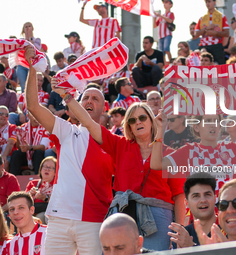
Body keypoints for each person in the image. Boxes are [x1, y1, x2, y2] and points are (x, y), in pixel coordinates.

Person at [59, 96, 186, 250]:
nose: (138, 122)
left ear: (152, 121)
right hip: (125, 214)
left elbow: (179, 195)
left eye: (142, 117)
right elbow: (89, 124)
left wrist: (180, 232)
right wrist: (67, 97)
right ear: (129, 127)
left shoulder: (171, 154)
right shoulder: (119, 145)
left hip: (158, 217)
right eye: (132, 120)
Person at [25, 46, 114, 255]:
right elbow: (33, 106)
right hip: (59, 217)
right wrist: (32, 69)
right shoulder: (66, 130)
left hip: (93, 219)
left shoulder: (113, 140)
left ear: (105, 107)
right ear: (77, 104)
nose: (89, 101)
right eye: (86, 98)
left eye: (95, 99)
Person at [152, 109, 236, 196]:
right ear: (196, 127)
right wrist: (160, 129)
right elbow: (156, 164)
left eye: (216, 121)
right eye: (208, 121)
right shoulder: (188, 151)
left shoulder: (232, 149)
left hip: (227, 214)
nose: (213, 125)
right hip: (199, 216)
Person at [169, 172, 218, 248]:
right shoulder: (182, 237)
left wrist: (191, 247)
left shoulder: (230, 228)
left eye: (207, 194)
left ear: (215, 199)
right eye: (196, 196)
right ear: (187, 203)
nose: (203, 200)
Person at [194, 0, 229, 65]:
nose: (207, 4)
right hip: (204, 46)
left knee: (219, 68)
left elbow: (227, 33)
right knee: (202, 68)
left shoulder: (222, 16)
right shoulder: (202, 18)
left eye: (209, 1)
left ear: (214, 2)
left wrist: (215, 33)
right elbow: (196, 34)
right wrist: (206, 28)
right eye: (206, 2)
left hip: (216, 46)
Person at [25, 157, 56, 224]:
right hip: (31, 211)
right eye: (45, 166)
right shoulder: (33, 183)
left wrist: (45, 198)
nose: (47, 169)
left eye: (50, 168)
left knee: (40, 218)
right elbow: (23, 201)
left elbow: (59, 202)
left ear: (55, 172)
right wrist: (29, 195)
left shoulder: (58, 185)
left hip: (47, 213)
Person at [17, 22, 41, 93]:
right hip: (22, 65)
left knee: (32, 85)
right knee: (23, 86)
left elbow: (35, 49)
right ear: (23, 29)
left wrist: (30, 38)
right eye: (26, 27)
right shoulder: (20, 40)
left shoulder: (37, 40)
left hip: (32, 64)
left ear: (33, 28)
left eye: (29, 26)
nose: (27, 28)